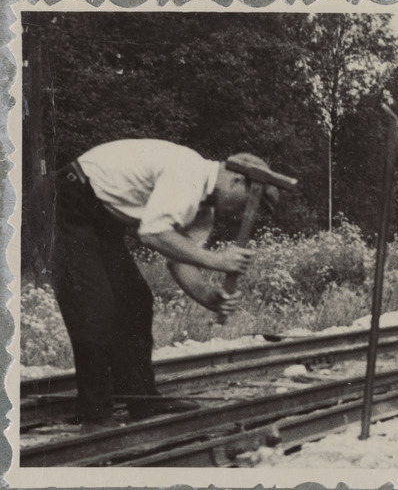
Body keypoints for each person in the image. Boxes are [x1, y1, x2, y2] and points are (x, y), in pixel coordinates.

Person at [49, 139, 280, 433]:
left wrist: (209, 297)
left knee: (135, 302)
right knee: (95, 308)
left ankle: (142, 400)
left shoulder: (202, 210)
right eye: (247, 205)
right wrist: (219, 261)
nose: (238, 214)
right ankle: (95, 417)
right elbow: (154, 235)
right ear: (236, 180)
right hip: (65, 203)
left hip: (101, 222)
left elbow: (179, 260)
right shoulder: (189, 172)